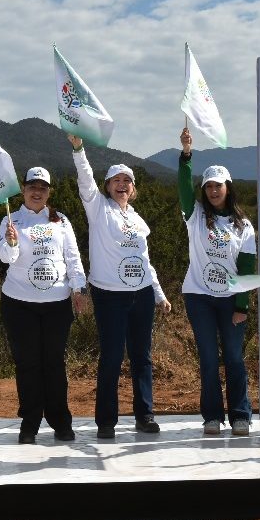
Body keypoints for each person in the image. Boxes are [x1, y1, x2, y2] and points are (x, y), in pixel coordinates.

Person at [68, 133, 171, 438]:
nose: (122, 185)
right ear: (108, 186)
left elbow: (144, 260)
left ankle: (145, 415)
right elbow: (85, 180)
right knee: (112, 357)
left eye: (127, 181)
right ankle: (106, 422)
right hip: (109, 295)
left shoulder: (137, 220)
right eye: (116, 180)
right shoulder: (98, 208)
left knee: (142, 357)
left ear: (133, 188)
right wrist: (79, 149)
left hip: (141, 295)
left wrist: (159, 294)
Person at [0, 167, 88, 444]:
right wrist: (11, 243)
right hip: (19, 304)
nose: (37, 192)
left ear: (49, 192)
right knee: (27, 364)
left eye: (43, 188)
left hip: (56, 304)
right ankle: (30, 423)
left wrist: (79, 287)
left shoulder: (61, 220)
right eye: (32, 187)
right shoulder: (11, 220)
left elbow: (72, 256)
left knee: (54, 363)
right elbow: (5, 258)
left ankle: (61, 421)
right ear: (23, 189)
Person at [177, 127, 257, 436]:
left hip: (230, 301)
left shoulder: (244, 226)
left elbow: (246, 268)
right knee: (209, 358)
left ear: (228, 188)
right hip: (199, 297)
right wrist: (186, 155)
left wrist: (242, 306)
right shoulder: (195, 215)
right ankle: (212, 416)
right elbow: (183, 187)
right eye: (208, 186)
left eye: (218, 186)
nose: (213, 191)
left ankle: (240, 415)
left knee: (234, 358)